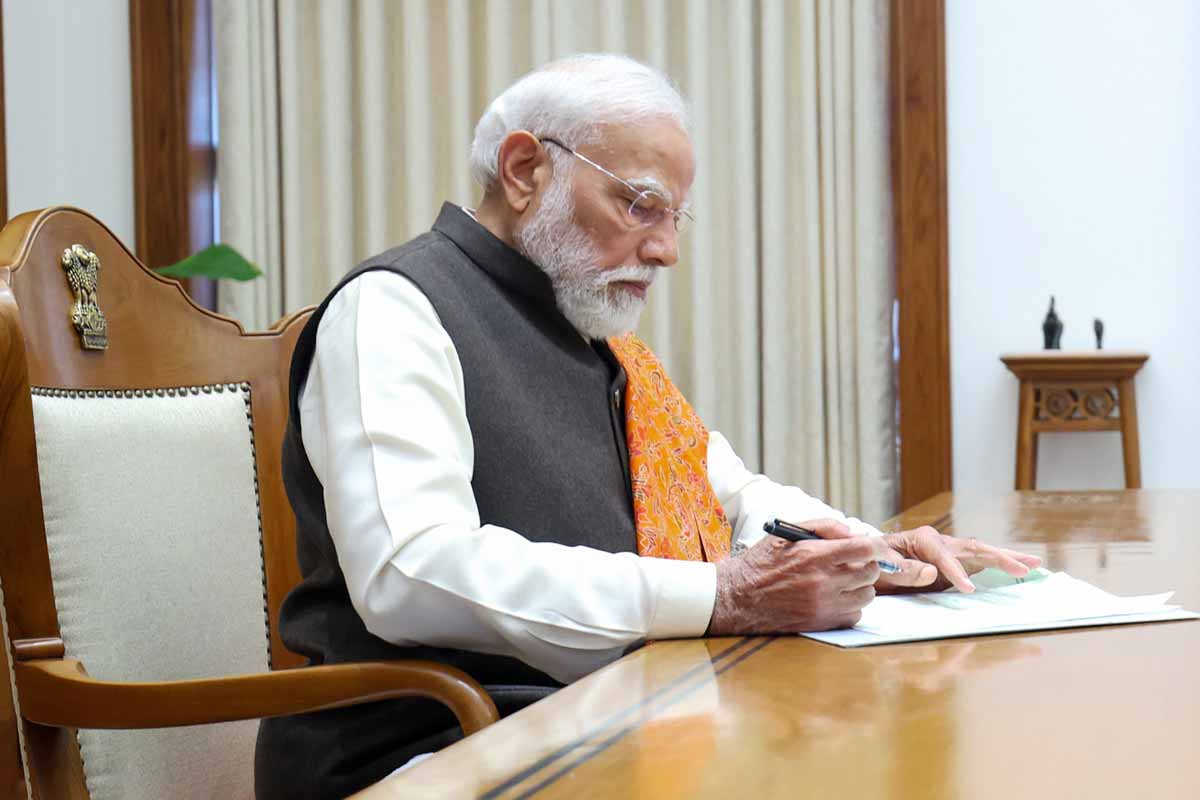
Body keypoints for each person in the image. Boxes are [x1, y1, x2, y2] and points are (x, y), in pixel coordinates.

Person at [255, 53, 1040, 799]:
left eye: (673, 217)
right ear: (526, 170)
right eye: (639, 205)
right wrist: (722, 597)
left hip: (607, 717)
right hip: (427, 747)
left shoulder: (597, 332)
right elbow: (411, 571)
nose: (665, 249)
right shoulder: (396, 309)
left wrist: (869, 555)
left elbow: (727, 496)